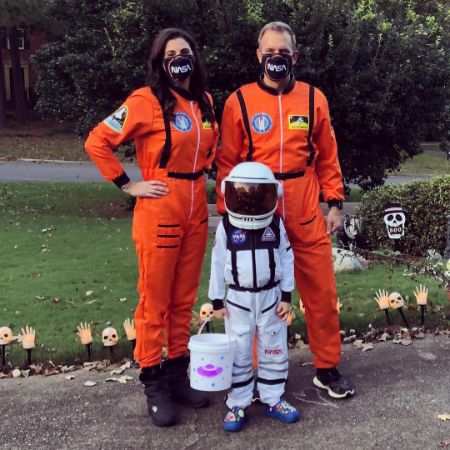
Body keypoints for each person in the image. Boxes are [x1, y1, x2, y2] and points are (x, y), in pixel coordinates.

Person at [85, 28, 218, 426]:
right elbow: (97, 141)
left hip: (197, 206)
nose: (180, 57)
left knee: (183, 299)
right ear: (160, 60)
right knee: (154, 301)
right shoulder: (144, 101)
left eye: (186, 50)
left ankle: (178, 372)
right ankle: (153, 379)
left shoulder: (205, 102)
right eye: (171, 52)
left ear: (195, 56)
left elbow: (214, 149)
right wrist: (128, 185)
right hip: (160, 205)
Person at [217, 21, 354, 399]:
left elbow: (328, 156)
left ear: (294, 56)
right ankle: (263, 374)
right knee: (258, 290)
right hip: (254, 206)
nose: (276, 58)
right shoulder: (239, 101)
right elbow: (226, 163)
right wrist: (226, 210)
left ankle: (326, 367)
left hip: (304, 203)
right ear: (259, 56)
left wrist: (335, 203)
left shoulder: (314, 99)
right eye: (269, 51)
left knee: (321, 293)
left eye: (284, 52)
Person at [209, 161, 300, 432]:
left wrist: (286, 295)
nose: (249, 204)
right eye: (244, 196)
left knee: (274, 349)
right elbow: (217, 261)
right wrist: (216, 300)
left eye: (257, 196)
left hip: (271, 299)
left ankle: (273, 398)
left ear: (273, 195)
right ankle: (237, 402)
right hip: (238, 300)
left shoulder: (275, 223)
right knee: (238, 352)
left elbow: (286, 258)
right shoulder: (227, 226)